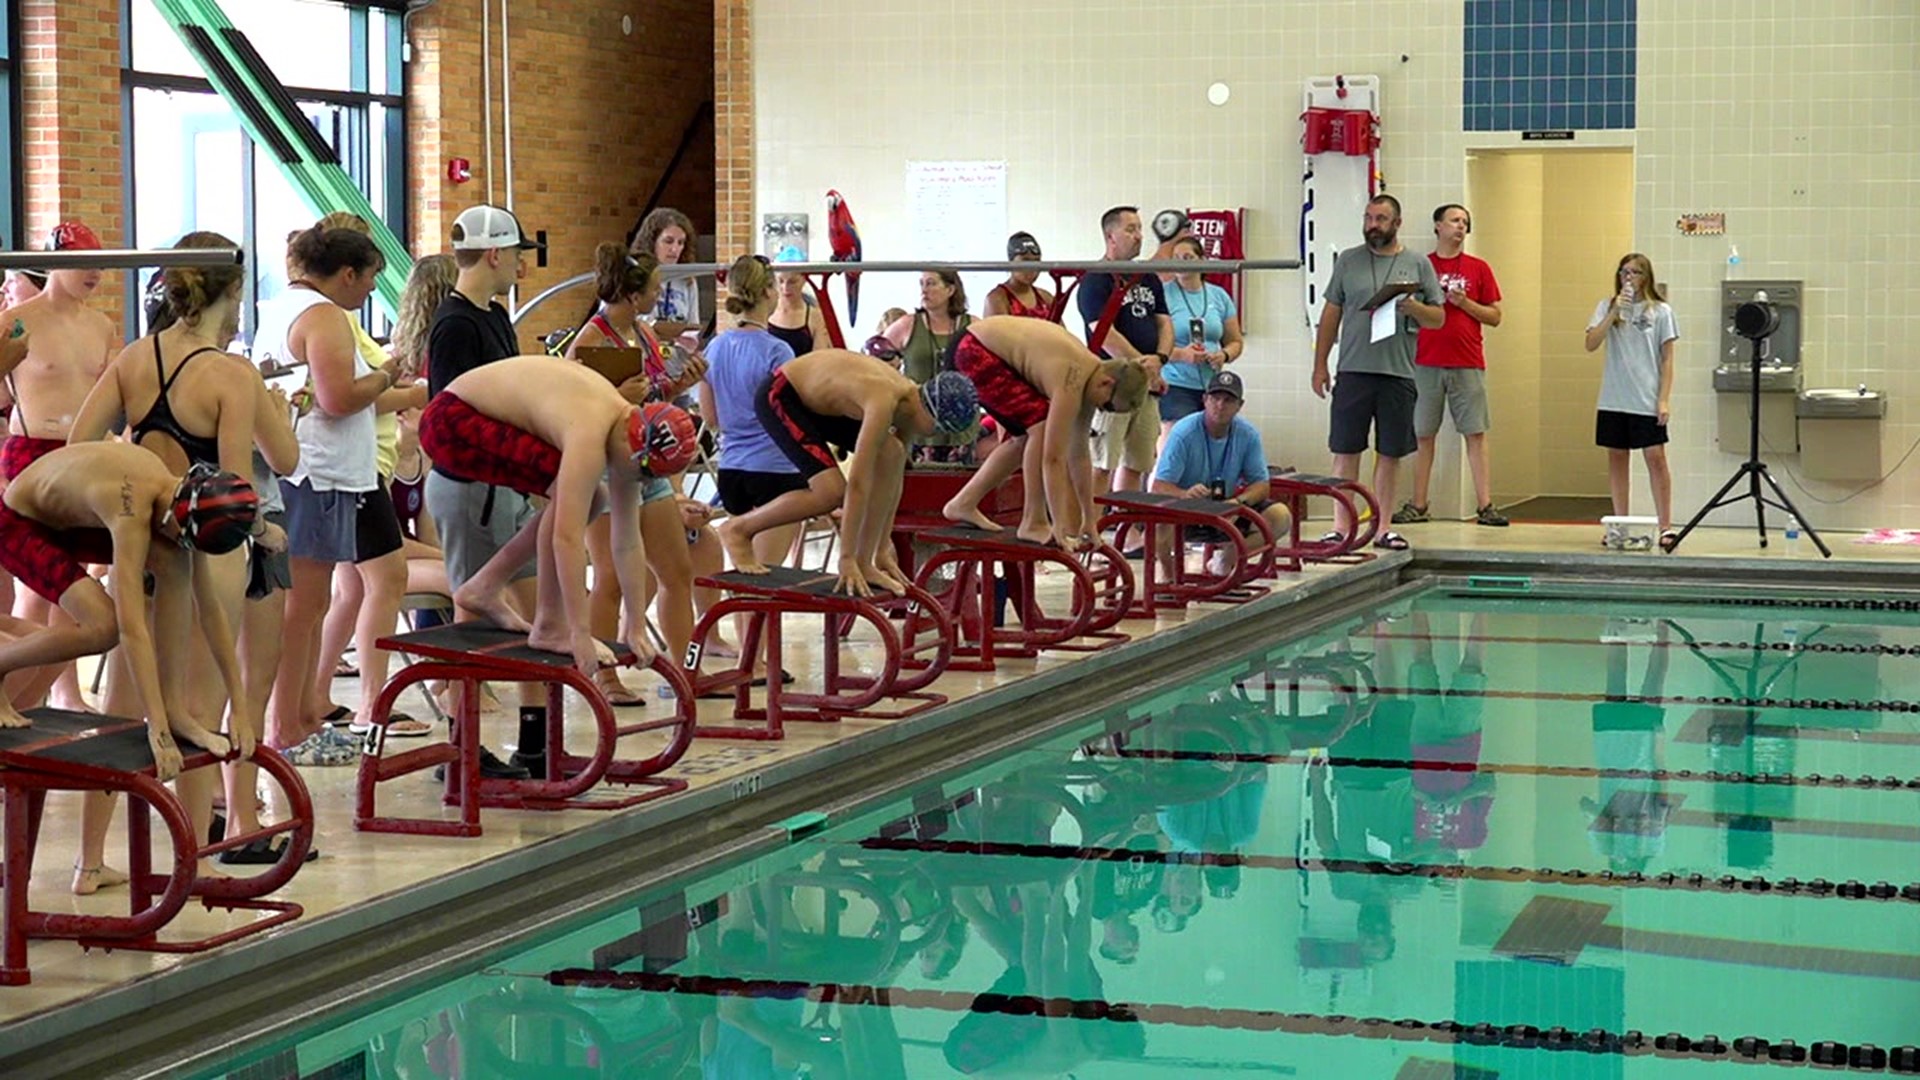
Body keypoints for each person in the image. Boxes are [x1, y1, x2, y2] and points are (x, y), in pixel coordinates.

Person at [72, 231, 300, 861]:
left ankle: (88, 862)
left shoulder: (134, 358)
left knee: (122, 706)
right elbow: (241, 484)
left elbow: (79, 446)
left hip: (141, 538)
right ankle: (191, 861)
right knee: (199, 709)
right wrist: (274, 411)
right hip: (204, 547)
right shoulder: (231, 374)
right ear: (235, 293)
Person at [0, 443, 260, 879]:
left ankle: (178, 710)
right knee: (101, 627)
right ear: (179, 515)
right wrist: (154, 727)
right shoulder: (131, 506)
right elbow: (131, 629)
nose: (181, 543)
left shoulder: (175, 500)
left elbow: (210, 610)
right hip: (17, 524)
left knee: (175, 564)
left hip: (68, 518)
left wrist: (242, 707)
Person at [417, 355, 698, 678]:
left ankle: (484, 586)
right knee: (583, 497)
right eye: (641, 472)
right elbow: (567, 538)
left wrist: (634, 624)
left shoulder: (628, 429)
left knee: (593, 496)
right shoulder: (590, 433)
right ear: (631, 442)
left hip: (470, 414)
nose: (637, 481)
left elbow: (628, 539)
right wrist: (578, 632)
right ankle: (550, 624)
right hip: (450, 421)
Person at [254, 225, 396, 756]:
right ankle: (283, 722)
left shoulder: (281, 306)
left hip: (307, 470)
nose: (369, 294)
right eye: (369, 282)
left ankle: (303, 710)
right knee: (303, 605)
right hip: (318, 474)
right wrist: (389, 375)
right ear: (347, 273)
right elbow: (337, 399)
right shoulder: (325, 316)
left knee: (308, 605)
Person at [426, 204, 544, 778]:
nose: (522, 262)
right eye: (519, 252)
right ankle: (461, 753)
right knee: (471, 621)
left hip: (502, 488)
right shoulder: (455, 325)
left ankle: (535, 744)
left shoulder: (494, 316)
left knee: (542, 611)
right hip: (473, 489)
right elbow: (451, 420)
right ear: (495, 253)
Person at [564, 242, 707, 700]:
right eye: (653, 289)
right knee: (609, 577)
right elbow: (574, 409)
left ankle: (684, 670)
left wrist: (682, 382)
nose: (658, 297)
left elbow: (654, 394)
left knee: (677, 570)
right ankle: (604, 676)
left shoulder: (643, 334)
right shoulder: (591, 339)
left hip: (648, 463)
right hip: (607, 470)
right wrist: (621, 394)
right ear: (632, 293)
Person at [714, 350, 977, 597]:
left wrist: (881, 549)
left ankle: (867, 562)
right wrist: (846, 559)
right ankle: (738, 529)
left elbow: (894, 479)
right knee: (832, 492)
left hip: (818, 403)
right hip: (782, 394)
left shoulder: (909, 405)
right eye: (938, 429)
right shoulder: (883, 401)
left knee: (893, 453)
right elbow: (859, 485)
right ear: (929, 412)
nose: (933, 436)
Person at [2, 221, 119, 713]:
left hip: (83, 456)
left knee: (75, 589)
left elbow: (112, 399)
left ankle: (56, 693)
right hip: (31, 455)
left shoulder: (103, 326)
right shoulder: (16, 321)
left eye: (99, 263)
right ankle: (39, 695)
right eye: (82, 261)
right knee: (39, 584)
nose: (94, 272)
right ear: (53, 262)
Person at [937, 315, 1149, 547]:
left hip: (978, 345)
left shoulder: (1092, 378)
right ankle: (1033, 521)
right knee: (1039, 426)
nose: (1103, 410)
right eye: (1108, 406)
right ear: (1106, 383)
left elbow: (1079, 456)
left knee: (1025, 438)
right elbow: (1053, 458)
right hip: (971, 349)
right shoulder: (1073, 380)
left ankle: (963, 503)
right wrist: (1058, 523)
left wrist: (1090, 520)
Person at [1310, 194, 1444, 552]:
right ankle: (1342, 527)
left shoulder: (1416, 264)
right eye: (1369, 218)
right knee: (1345, 451)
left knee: (1390, 453)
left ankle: (1382, 527)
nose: (1373, 225)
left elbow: (1439, 317)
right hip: (1353, 369)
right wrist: (1320, 363)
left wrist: (1414, 307)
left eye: (1381, 219)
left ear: (1397, 223)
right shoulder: (1349, 262)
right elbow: (1330, 315)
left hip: (1397, 373)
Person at [1397, 204, 1508, 528]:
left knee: (1475, 433)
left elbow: (1496, 316)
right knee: (1422, 434)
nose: (1460, 227)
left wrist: (1464, 303)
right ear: (1438, 226)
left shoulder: (1479, 268)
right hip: (1424, 361)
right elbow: (1403, 309)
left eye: (1465, 222)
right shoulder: (1419, 266)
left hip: (1467, 361)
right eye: (1454, 221)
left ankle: (1485, 505)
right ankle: (1419, 503)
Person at [1149, 371, 1292, 573]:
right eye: (1215, 398)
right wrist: (1184, 494)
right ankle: (1167, 574)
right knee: (1160, 523)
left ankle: (1225, 560)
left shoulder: (1248, 434)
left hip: (1226, 509)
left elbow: (1261, 485)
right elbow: (1159, 486)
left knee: (1280, 516)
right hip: (1185, 510)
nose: (1220, 405)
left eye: (1228, 400)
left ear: (1239, 406)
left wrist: (1238, 503)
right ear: (1205, 400)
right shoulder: (1183, 433)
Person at [1583, 252, 1677, 550]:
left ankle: (1665, 525)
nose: (1629, 278)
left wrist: (1663, 400)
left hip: (1646, 397)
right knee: (1617, 458)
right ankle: (1619, 525)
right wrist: (1613, 314)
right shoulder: (1606, 307)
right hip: (1614, 397)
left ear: (1645, 277)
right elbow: (1590, 343)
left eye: (1635, 272)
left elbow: (1668, 360)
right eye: (1624, 272)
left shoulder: (1661, 311)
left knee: (1655, 458)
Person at [1078, 206, 1169, 499]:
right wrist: (1142, 367)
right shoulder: (1096, 279)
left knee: (1137, 463)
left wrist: (1160, 359)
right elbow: (1104, 332)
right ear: (1110, 235)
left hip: (1148, 384)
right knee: (1103, 462)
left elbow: (1165, 323)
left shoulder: (1148, 277)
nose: (1139, 236)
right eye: (1130, 229)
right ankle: (1088, 526)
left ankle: (1126, 532)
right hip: (1112, 385)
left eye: (1140, 228)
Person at [881, 269, 976, 461]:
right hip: (918, 429)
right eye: (922, 284)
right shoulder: (907, 325)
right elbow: (873, 359)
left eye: (931, 283)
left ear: (950, 289)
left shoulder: (973, 325)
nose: (924, 290)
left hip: (961, 432)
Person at [1158, 235, 1243, 435]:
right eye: (1176, 257)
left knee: (1211, 440)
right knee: (1179, 436)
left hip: (1211, 384)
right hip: (1175, 383)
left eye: (1187, 257)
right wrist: (1181, 354)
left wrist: (1223, 355)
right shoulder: (1163, 295)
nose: (1181, 262)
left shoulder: (1219, 295)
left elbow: (1235, 341)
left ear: (1202, 260)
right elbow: (1151, 346)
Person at [629, 207, 700, 339]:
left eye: (681, 243)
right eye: (668, 241)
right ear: (652, 241)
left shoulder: (687, 280)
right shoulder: (632, 275)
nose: (675, 249)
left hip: (676, 355)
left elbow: (693, 328)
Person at [766, 253, 829, 358]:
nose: (785, 288)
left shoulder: (815, 317)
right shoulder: (764, 311)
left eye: (792, 282)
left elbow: (819, 361)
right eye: (781, 281)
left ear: (804, 280)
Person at [982, 232, 1054, 319]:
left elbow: (1061, 332)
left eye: (1036, 261)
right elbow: (998, 332)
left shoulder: (1046, 298)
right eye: (1025, 261)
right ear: (1011, 263)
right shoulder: (997, 299)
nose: (1031, 268)